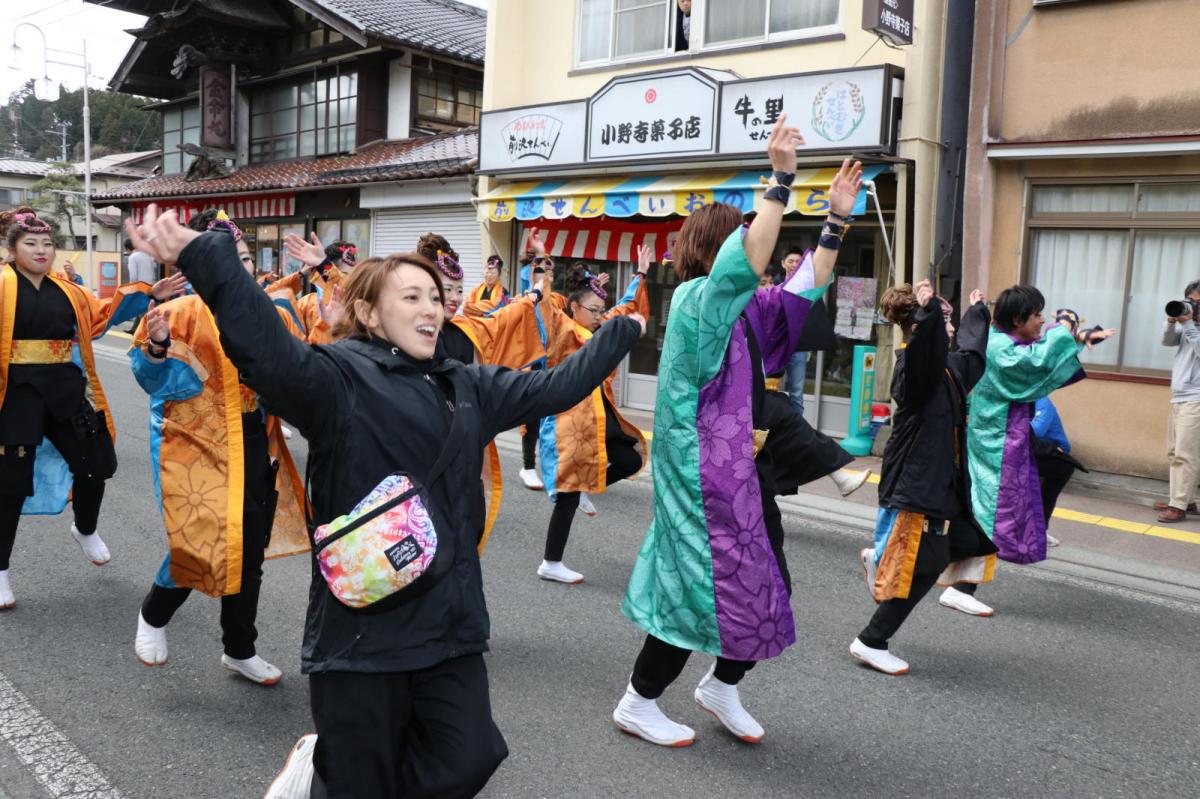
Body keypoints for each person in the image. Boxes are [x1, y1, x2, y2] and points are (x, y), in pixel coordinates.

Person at [126, 204, 645, 798]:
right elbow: (265, 350)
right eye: (412, 297)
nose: (431, 308)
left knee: (471, 755)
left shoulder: (469, 383)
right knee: (359, 781)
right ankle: (328, 774)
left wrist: (620, 331)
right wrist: (207, 257)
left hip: (450, 622)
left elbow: (552, 386)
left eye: (434, 296)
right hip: (361, 630)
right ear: (369, 312)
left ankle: (326, 773)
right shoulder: (335, 378)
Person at [614, 117, 860, 747]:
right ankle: (638, 701)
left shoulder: (749, 305)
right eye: (745, 244)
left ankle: (722, 685)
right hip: (700, 477)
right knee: (693, 586)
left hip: (742, 476)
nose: (761, 258)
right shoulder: (699, 298)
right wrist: (779, 181)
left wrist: (835, 220)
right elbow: (748, 263)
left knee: (766, 581)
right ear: (715, 252)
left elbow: (809, 282)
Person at [129, 209, 311, 685]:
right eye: (231, 258)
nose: (241, 267)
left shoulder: (271, 312)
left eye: (246, 258)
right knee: (200, 540)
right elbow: (153, 382)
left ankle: (239, 648)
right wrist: (157, 347)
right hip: (197, 445)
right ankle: (153, 613)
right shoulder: (178, 312)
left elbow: (301, 375)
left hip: (255, 440)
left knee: (249, 547)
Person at [0, 207, 183, 610]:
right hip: (15, 392)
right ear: (12, 249)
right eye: (30, 243)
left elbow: (102, 314)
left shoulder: (69, 289)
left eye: (47, 243)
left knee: (97, 462)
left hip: (64, 385)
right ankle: (0, 571)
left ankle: (84, 528)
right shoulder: (1, 283)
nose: (41, 250)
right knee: (10, 483)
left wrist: (150, 294)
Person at [851, 282, 996, 675]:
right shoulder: (913, 368)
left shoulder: (946, 368)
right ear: (920, 325)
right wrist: (931, 314)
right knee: (921, 565)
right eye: (943, 322)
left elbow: (971, 357)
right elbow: (927, 348)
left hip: (939, 484)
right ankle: (871, 639)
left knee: (956, 548)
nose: (949, 328)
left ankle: (880, 568)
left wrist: (976, 314)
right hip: (917, 484)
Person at [967, 287, 1114, 566]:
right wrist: (1066, 324)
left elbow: (1038, 354)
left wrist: (1079, 337)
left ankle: (966, 580)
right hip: (995, 441)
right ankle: (961, 586)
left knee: (1005, 505)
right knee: (994, 510)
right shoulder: (998, 347)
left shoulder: (1003, 341)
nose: (1042, 321)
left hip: (1005, 437)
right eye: (1036, 315)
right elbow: (1036, 359)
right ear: (1017, 320)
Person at [535, 252, 651, 584]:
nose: (599, 316)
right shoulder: (561, 330)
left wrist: (641, 272)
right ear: (574, 308)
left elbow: (624, 309)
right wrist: (542, 262)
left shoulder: (596, 329)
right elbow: (542, 304)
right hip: (569, 421)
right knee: (569, 496)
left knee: (628, 460)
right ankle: (551, 561)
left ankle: (586, 488)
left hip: (599, 415)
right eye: (593, 310)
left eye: (600, 311)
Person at [1156, 280, 1200, 523]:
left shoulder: (1193, 327)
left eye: (1197, 302)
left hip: (1197, 398)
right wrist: (1172, 320)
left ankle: (1179, 505)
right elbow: (1167, 341)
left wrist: (1190, 324)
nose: (1192, 306)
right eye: (1190, 301)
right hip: (1180, 396)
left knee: (1186, 453)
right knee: (1174, 452)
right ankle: (1185, 499)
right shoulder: (1188, 326)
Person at [1030, 395, 1084, 546]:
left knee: (1048, 487)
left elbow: (1037, 430)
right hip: (1025, 451)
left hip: (1051, 454)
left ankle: (1039, 531)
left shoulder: (1041, 401)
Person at [779, 247, 809, 415]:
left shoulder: (809, 290)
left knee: (796, 393)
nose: (794, 265)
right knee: (767, 388)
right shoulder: (775, 288)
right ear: (783, 264)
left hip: (798, 347)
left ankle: (798, 435)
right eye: (790, 261)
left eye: (798, 262)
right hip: (776, 346)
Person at [125, 237, 159, 331]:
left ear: (128, 249)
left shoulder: (133, 257)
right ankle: (134, 329)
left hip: (140, 286)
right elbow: (154, 267)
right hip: (151, 286)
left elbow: (133, 276)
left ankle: (143, 330)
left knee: (142, 309)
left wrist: (132, 288)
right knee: (145, 308)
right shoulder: (147, 255)